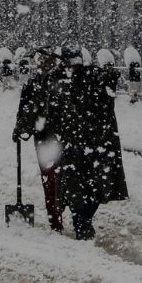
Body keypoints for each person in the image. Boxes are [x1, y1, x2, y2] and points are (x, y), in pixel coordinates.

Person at [42, 44, 128, 240]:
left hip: (93, 143)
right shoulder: (56, 79)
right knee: (75, 188)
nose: (72, 67)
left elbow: (105, 98)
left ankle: (84, 221)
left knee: (95, 187)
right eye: (68, 63)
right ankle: (81, 224)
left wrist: (109, 77)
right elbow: (51, 110)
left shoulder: (90, 76)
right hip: (71, 143)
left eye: (75, 63)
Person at [13, 48, 64, 233]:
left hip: (61, 138)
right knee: (50, 180)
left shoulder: (60, 83)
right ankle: (55, 220)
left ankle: (62, 216)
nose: (45, 65)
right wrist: (19, 128)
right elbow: (23, 111)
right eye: (42, 62)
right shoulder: (33, 85)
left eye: (49, 62)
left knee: (62, 179)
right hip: (44, 138)